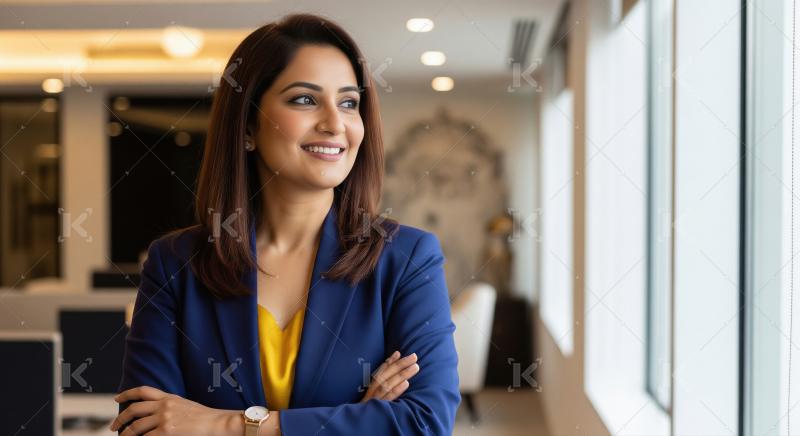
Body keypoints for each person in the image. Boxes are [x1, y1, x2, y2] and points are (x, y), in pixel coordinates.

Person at [110, 13, 460, 436]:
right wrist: (357, 418)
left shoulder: (406, 259)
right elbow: (143, 425)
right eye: (305, 100)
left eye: (349, 103)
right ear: (248, 126)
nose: (335, 123)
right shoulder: (175, 263)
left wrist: (229, 425)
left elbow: (424, 422)